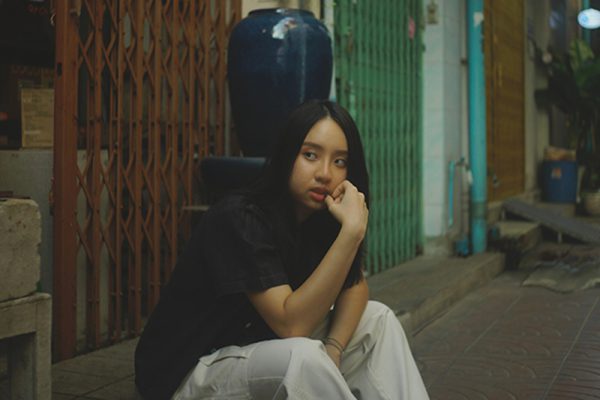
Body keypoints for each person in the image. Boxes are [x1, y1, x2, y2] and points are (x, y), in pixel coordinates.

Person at [134, 100, 429, 400]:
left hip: (255, 350)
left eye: (340, 161)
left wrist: (334, 348)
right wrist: (351, 234)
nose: (325, 173)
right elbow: (292, 325)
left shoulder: (321, 219)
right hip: (188, 373)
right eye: (310, 155)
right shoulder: (241, 218)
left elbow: (355, 286)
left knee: (378, 320)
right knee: (302, 358)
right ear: (287, 155)